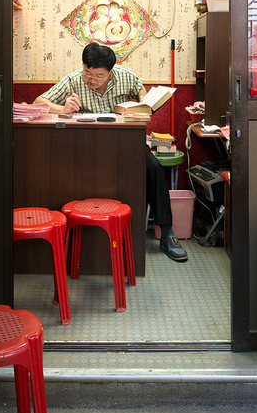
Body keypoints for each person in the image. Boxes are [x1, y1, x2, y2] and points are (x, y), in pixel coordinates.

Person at [34, 43, 188, 263]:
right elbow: (38, 102)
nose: (92, 80)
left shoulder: (126, 76)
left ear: (110, 72)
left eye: (99, 76)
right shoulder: (72, 80)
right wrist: (63, 109)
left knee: (153, 166)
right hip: (86, 145)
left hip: (124, 143)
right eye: (88, 73)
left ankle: (167, 232)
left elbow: (143, 98)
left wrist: (144, 107)